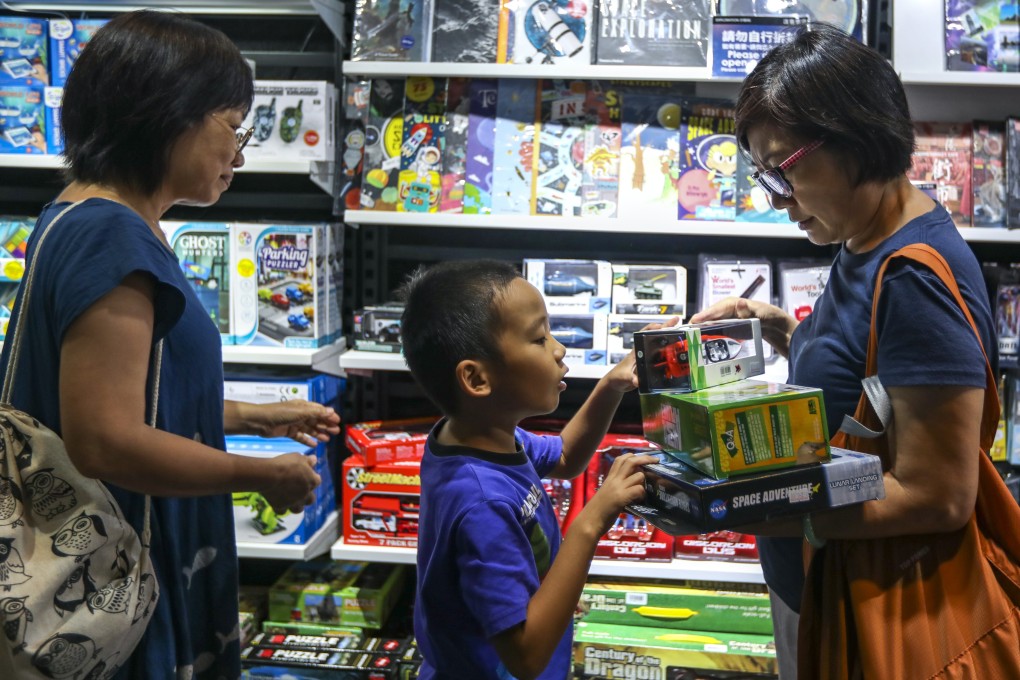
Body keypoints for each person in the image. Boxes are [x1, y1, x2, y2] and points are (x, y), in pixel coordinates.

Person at [0, 11, 340, 678]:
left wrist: (249, 418)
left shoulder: (82, 216)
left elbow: (127, 398)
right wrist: (262, 475)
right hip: (108, 571)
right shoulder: (111, 237)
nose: (239, 154)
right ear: (172, 113)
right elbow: (106, 440)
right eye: (232, 128)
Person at [690, 23, 996, 679]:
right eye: (762, 176)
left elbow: (940, 494)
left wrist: (779, 516)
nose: (776, 199)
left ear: (854, 135)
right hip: (824, 589)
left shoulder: (913, 278)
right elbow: (871, 380)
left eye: (783, 171)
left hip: (874, 615)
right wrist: (773, 324)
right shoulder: (867, 240)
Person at [399, 260, 662, 679]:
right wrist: (591, 520)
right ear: (477, 379)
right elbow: (525, 656)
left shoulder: (482, 436)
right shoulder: (482, 502)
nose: (558, 349)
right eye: (539, 338)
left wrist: (611, 385)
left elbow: (564, 457)